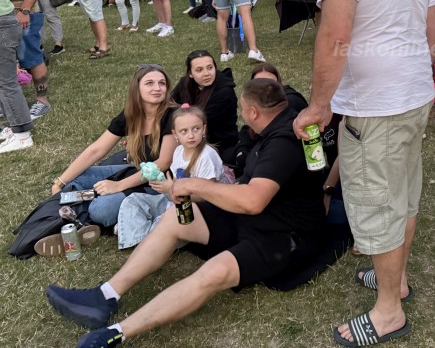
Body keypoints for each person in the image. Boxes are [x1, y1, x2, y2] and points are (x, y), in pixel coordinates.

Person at [47, 79, 326, 348]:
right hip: (253, 218)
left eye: (243, 110)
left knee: (214, 272)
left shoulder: (282, 142)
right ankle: (105, 296)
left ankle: (113, 334)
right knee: (176, 217)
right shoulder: (278, 127)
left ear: (253, 112)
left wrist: (193, 185)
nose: (242, 115)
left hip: (283, 235)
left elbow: (253, 201)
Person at [294, 0, 435, 346]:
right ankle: (396, 281)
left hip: (376, 106)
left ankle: (389, 311)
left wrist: (319, 106)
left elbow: (335, 34)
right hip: (414, 95)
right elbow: (433, 30)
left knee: (378, 204)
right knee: (403, 195)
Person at [48, 65, 179, 227]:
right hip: (136, 172)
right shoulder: (132, 114)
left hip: (158, 185)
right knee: (76, 178)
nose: (157, 88)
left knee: (101, 210)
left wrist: (118, 186)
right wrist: (59, 182)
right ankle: (78, 209)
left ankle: (78, 211)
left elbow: (163, 163)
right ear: (137, 88)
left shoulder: (173, 115)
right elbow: (96, 150)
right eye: (149, 83)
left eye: (162, 83)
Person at [116, 105, 228, 249]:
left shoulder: (207, 156)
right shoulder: (178, 151)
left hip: (198, 211)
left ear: (204, 129)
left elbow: (208, 196)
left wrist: (172, 188)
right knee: (133, 200)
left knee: (163, 222)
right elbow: (176, 182)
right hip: (177, 202)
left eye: (196, 129)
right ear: (175, 135)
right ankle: (139, 238)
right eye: (184, 131)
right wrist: (163, 183)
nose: (191, 135)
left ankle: (138, 236)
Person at [0, 0, 34, 153]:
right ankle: (13, 127)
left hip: (3, 21)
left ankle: (23, 135)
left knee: (7, 81)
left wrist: (26, 10)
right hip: (5, 19)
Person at [171, 50, 238, 155]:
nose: (207, 73)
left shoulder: (225, 92)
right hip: (189, 138)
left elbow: (201, 121)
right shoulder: (185, 83)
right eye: (199, 70)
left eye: (210, 68)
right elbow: (170, 103)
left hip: (218, 145)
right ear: (190, 74)